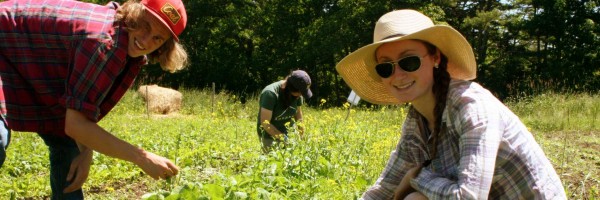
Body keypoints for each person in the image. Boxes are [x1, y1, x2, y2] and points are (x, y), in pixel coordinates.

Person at [336, 9, 566, 199]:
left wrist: (416, 177)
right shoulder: (417, 122)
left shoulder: (472, 107)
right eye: (385, 67)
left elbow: (469, 197)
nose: (397, 75)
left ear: (435, 58)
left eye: (409, 61)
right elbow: (385, 188)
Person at [0, 0, 188, 199]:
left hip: (26, 62)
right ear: (135, 14)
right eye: (146, 26)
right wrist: (142, 157)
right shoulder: (104, 41)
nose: (146, 40)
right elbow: (76, 125)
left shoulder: (123, 42)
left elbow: (78, 111)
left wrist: (86, 150)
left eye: (157, 38)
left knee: (68, 147)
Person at [257, 70, 312, 153]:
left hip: (289, 132)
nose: (301, 95)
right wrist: (283, 138)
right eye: (299, 93)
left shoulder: (298, 94)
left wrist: (302, 135)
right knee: (273, 161)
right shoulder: (270, 94)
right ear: (290, 88)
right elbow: (265, 123)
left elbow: (298, 115)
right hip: (269, 134)